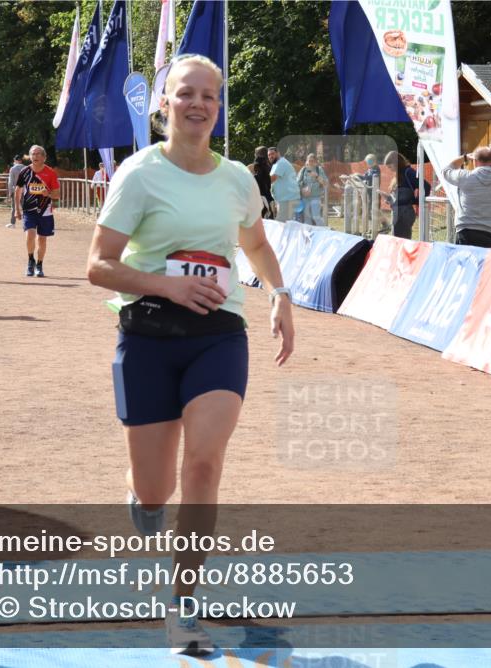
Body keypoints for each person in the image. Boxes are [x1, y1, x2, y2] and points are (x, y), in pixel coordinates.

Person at [86, 54, 294, 657]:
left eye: (210, 95)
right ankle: (142, 499)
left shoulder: (236, 179)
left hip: (219, 334)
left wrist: (279, 294)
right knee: (155, 493)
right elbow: (98, 266)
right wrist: (169, 285)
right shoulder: (139, 174)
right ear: (164, 104)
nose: (199, 104)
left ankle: (182, 606)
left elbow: (254, 240)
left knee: (203, 465)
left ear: (218, 107)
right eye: (186, 94)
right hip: (148, 337)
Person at [14, 145, 60, 277]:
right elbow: (18, 191)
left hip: (45, 210)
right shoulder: (25, 172)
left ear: (44, 157)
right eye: (33, 154)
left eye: (38, 154)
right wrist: (17, 209)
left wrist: (48, 194)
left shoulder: (50, 173)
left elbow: (57, 195)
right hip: (29, 210)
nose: (35, 156)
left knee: (42, 239)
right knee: (30, 235)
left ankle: (39, 265)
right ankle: (30, 261)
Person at [381, 151, 428, 239]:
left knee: (402, 242)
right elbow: (398, 199)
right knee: (397, 241)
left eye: (390, 167)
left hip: (404, 214)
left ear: (396, 163)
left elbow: (425, 186)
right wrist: (388, 198)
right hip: (397, 214)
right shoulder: (398, 176)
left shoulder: (408, 172)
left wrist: (416, 200)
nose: (390, 170)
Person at [267, 146, 300, 222]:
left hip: (288, 200)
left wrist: (258, 183)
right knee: (286, 224)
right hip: (284, 200)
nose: (270, 156)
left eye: (272, 154)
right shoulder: (276, 164)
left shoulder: (281, 163)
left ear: (278, 153)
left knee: (281, 223)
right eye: (269, 155)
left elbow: (272, 179)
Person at [296, 153, 328, 226]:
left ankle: (324, 232)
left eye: (312, 161)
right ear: (306, 161)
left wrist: (316, 176)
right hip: (305, 198)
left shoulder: (319, 169)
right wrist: (303, 189)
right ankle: (310, 235)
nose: (310, 162)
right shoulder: (303, 169)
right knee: (307, 219)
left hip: (315, 197)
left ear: (316, 162)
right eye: (309, 161)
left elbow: (325, 183)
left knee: (316, 217)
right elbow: (297, 182)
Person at [251, 146, 274, 218]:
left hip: (262, 193)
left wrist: (252, 178)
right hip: (267, 193)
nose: (254, 155)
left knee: (264, 214)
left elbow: (259, 178)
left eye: (255, 153)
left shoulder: (258, 164)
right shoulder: (268, 164)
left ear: (258, 154)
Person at [5, 155, 26, 228]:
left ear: (15, 160)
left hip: (15, 190)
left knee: (14, 207)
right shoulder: (26, 168)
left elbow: (10, 182)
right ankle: (26, 223)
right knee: (25, 207)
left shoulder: (13, 169)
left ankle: (13, 223)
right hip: (25, 191)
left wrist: (10, 192)